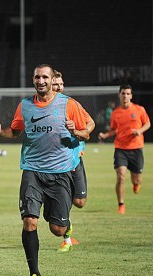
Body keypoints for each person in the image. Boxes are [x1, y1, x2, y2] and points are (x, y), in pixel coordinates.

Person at [0, 64, 91, 276]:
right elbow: (14, 132)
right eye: (37, 77)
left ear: (53, 80)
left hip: (61, 173)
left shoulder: (68, 104)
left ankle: (59, 219)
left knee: (58, 230)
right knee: (29, 222)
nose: (41, 81)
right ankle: (34, 272)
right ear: (33, 80)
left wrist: (77, 131)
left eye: (45, 77)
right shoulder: (25, 106)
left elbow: (87, 131)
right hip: (32, 171)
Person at [53, 70, 96, 252]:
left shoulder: (71, 104)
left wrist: (79, 132)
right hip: (56, 164)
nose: (60, 87)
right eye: (57, 84)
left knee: (79, 201)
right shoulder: (44, 108)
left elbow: (91, 123)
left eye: (62, 84)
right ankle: (67, 236)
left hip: (75, 160)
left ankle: (63, 207)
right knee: (62, 202)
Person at [98, 84, 151, 214]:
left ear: (131, 95)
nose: (125, 96)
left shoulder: (139, 109)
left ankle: (136, 183)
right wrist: (105, 135)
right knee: (121, 176)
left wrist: (139, 131)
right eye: (123, 93)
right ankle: (121, 204)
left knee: (136, 179)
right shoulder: (115, 113)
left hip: (136, 148)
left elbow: (147, 123)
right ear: (119, 95)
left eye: (128, 93)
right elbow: (114, 130)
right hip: (120, 149)